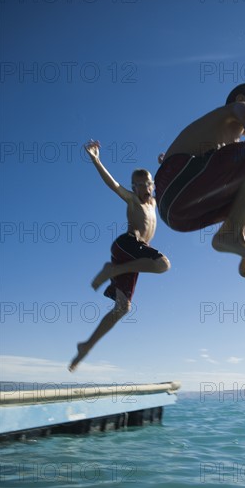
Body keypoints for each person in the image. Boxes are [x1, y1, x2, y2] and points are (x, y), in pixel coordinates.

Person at [155, 83, 245, 287]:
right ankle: (232, 234)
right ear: (242, 99)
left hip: (181, 215)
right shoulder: (234, 111)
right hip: (176, 183)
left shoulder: (226, 147)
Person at [69, 141, 170, 371]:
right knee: (163, 264)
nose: (145, 189)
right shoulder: (133, 200)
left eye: (148, 185)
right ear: (133, 188)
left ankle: (85, 347)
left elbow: (168, 184)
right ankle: (111, 270)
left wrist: (165, 164)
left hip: (134, 258)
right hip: (126, 245)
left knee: (122, 308)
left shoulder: (154, 202)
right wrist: (96, 160)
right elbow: (113, 185)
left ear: (152, 186)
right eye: (140, 185)